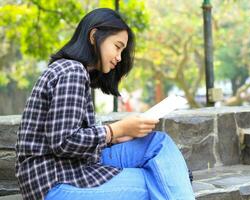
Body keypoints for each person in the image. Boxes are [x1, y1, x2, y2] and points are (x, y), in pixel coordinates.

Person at [15, 8, 194, 200]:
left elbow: (69, 134)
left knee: (158, 143)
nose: (119, 57)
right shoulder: (72, 71)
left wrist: (116, 137)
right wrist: (115, 130)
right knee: (159, 180)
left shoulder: (73, 71)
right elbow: (63, 141)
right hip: (53, 181)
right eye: (117, 47)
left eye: (122, 51)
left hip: (75, 167)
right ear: (94, 36)